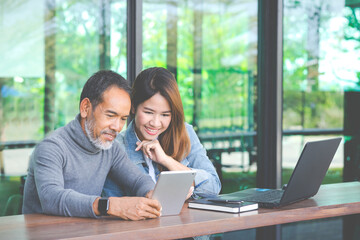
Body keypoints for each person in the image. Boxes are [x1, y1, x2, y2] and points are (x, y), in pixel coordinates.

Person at [22, 70, 162, 220]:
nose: (117, 126)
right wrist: (110, 206)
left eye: (123, 119)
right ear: (85, 108)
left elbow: (137, 179)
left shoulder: (111, 148)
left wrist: (151, 193)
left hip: (85, 233)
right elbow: (52, 198)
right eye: (110, 115)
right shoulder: (52, 147)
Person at [103, 67, 221, 199]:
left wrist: (166, 160)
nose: (155, 123)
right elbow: (112, 203)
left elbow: (213, 187)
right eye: (148, 112)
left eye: (165, 115)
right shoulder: (116, 147)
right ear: (134, 107)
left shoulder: (184, 132)